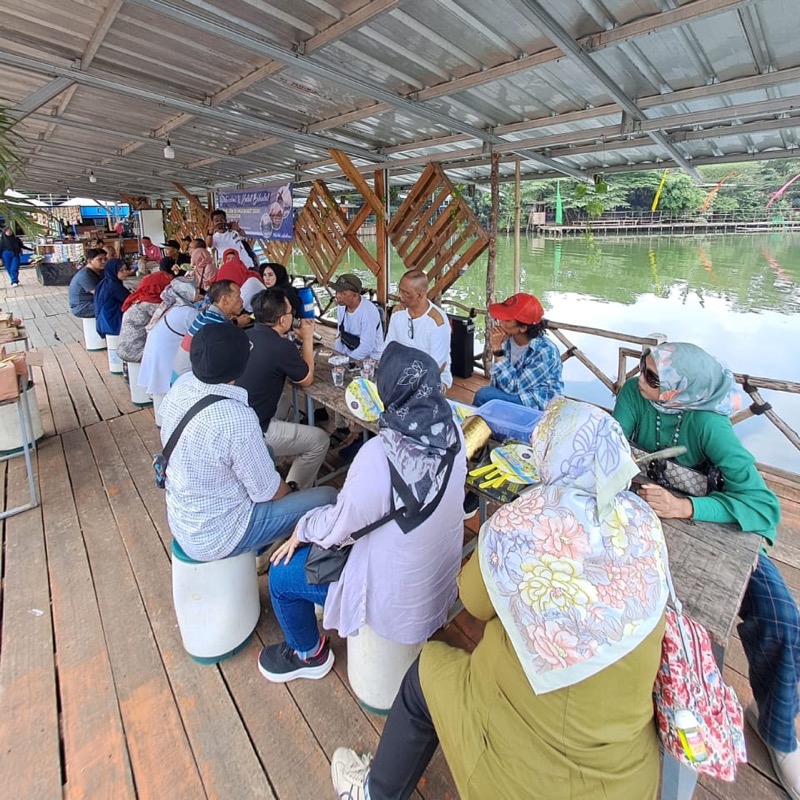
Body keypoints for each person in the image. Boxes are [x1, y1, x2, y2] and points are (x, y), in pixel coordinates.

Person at [332, 398, 669, 800]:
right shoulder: (644, 524)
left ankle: (375, 792)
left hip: (524, 774)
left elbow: (473, 602)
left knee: (426, 671)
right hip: (627, 778)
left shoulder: (518, 523)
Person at [612, 341, 800, 799]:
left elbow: (760, 504)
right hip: (641, 508)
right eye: (643, 368)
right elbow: (613, 447)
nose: (641, 380)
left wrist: (686, 507)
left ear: (680, 392)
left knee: (782, 618)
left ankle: (778, 732)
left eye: (654, 378)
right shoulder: (635, 395)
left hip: (708, 522)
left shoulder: (708, 424)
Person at [258, 342, 467, 683]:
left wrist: (303, 527)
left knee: (281, 575)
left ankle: (308, 654)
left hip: (393, 597)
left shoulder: (379, 455)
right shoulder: (454, 431)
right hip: (438, 584)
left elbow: (339, 527)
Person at [160, 323, 337, 562]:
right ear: (242, 365)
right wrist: (292, 492)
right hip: (223, 533)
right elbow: (270, 492)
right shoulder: (236, 417)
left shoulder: (182, 386)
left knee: (266, 451)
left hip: (184, 518)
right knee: (328, 497)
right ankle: (268, 551)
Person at [236, 288, 329, 489]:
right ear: (282, 320)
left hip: (237, 419)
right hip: (255, 430)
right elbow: (306, 379)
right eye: (290, 314)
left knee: (285, 402)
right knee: (320, 440)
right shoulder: (280, 347)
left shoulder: (245, 334)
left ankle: (272, 464)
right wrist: (307, 338)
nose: (292, 317)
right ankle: (291, 491)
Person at [474, 292, 563, 409]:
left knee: (484, 395)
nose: (500, 322)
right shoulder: (506, 339)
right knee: (489, 396)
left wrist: (497, 350)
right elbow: (498, 382)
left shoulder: (545, 351)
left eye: (507, 320)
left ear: (523, 328)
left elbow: (514, 388)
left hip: (538, 402)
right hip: (515, 392)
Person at [329, 273, 385, 445]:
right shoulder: (341, 308)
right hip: (351, 355)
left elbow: (367, 347)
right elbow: (340, 335)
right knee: (334, 383)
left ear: (355, 295)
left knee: (360, 391)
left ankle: (360, 432)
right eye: (337, 291)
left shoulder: (368, 312)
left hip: (371, 360)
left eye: (342, 293)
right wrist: (337, 357)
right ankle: (341, 425)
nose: (337, 295)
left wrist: (347, 362)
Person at [138, 277, 198, 423]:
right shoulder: (187, 312)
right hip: (166, 357)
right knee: (167, 393)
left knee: (160, 392)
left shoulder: (171, 306)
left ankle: (163, 423)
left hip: (156, 354)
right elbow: (205, 330)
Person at [385, 269, 451, 389]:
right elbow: (389, 347)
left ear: (419, 295)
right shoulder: (397, 312)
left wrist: (407, 382)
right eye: (400, 290)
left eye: (405, 293)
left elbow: (437, 366)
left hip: (432, 376)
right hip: (401, 370)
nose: (399, 296)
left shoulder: (437, 322)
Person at [171, 279, 247, 382]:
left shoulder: (205, 315)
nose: (242, 301)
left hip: (178, 376)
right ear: (224, 300)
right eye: (238, 297)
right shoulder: (216, 329)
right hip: (187, 381)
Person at [117, 271, 172, 363]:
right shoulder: (152, 305)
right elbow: (171, 320)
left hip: (123, 348)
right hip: (137, 352)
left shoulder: (141, 298)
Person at [94, 257, 134, 337]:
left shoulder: (105, 282)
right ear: (113, 271)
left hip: (102, 321)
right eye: (121, 270)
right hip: (112, 323)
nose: (125, 272)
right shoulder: (114, 287)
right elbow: (130, 300)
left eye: (125, 269)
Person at [68, 248, 107, 318]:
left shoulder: (99, 271)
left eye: (105, 259)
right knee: (113, 306)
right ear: (89, 261)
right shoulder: (85, 275)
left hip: (92, 302)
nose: (104, 262)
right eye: (100, 259)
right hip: (81, 307)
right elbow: (100, 294)